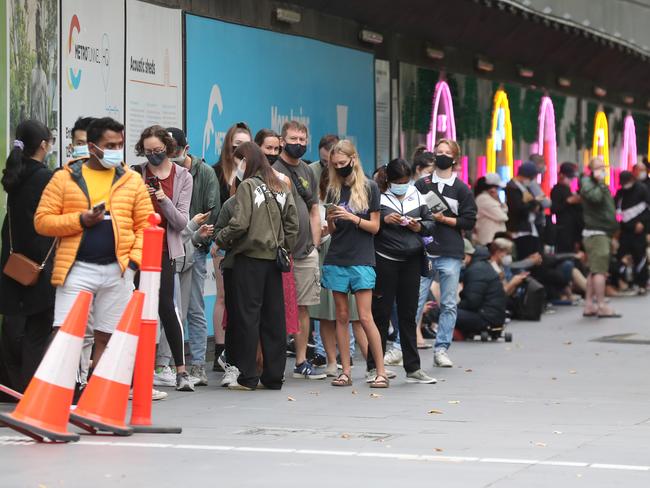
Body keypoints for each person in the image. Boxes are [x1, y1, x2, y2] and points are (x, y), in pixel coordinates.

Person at [34, 117, 153, 391]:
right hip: (76, 268)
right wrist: (80, 220)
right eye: (109, 145)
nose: (115, 150)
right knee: (64, 333)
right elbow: (42, 221)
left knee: (108, 337)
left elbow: (146, 225)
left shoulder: (132, 180)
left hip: (118, 270)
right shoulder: (65, 177)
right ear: (92, 147)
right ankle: (49, 394)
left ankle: (97, 397)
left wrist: (133, 262)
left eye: (120, 144)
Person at [215, 142, 299, 390]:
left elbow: (240, 224)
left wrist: (220, 239)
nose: (236, 167)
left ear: (246, 162)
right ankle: (274, 376)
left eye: (238, 161)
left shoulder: (248, 186)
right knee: (274, 319)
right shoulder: (281, 185)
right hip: (275, 261)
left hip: (248, 259)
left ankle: (247, 376)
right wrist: (283, 246)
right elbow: (293, 225)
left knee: (247, 318)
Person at [323, 139, 389, 388]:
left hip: (362, 258)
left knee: (364, 316)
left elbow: (375, 227)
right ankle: (345, 371)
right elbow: (331, 230)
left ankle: (380, 371)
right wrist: (330, 219)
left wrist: (351, 217)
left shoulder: (370, 187)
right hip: (337, 257)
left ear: (353, 159)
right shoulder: (333, 190)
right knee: (341, 315)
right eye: (335, 164)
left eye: (343, 162)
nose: (339, 167)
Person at [135, 125, 194, 391]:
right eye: (148, 152)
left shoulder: (182, 176)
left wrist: (162, 199)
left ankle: (181, 371)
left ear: (168, 148)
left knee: (167, 308)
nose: (153, 156)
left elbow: (182, 222)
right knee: (135, 310)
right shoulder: (136, 174)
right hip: (136, 250)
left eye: (157, 150)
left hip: (164, 250)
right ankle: (136, 372)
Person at [0, 121, 55, 392]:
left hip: (14, 264)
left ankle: (14, 389)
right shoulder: (46, 177)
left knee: (13, 327)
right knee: (38, 331)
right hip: (39, 265)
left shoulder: (13, 174)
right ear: (43, 145)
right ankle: (30, 393)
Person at [370, 159, 436, 384]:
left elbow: (430, 222)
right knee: (381, 314)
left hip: (411, 260)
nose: (403, 185)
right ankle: (373, 366)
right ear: (389, 179)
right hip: (385, 259)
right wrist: (385, 220)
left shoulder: (415, 194)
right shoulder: (377, 194)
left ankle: (413, 368)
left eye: (406, 181)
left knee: (408, 315)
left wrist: (418, 226)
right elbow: (369, 225)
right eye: (399, 182)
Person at [415, 139, 477, 368]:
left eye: (446, 152)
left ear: (454, 157)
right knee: (417, 300)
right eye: (438, 152)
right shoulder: (422, 184)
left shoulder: (462, 188)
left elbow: (469, 220)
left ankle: (442, 348)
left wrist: (445, 219)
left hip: (451, 249)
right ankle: (405, 346)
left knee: (449, 302)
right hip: (425, 248)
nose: (441, 155)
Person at [165, 127, 219, 387]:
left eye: (174, 151)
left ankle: (198, 364)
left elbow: (210, 213)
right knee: (170, 308)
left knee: (194, 308)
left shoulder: (203, 173)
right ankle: (164, 363)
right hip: (169, 246)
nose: (170, 156)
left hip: (193, 247)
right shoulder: (160, 171)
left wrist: (196, 238)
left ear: (186, 148)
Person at [273, 121, 325, 380]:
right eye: (294, 139)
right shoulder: (273, 170)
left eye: (303, 140)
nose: (299, 144)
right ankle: (274, 361)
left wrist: (314, 244)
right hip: (280, 253)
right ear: (282, 141)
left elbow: (314, 209)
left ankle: (301, 360)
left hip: (306, 252)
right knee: (277, 306)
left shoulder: (308, 170)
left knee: (303, 307)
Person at [211, 122, 252, 372]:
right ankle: (219, 348)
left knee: (244, 298)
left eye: (246, 145)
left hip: (248, 244)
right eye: (236, 145)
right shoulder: (218, 172)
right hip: (225, 240)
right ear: (228, 145)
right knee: (223, 295)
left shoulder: (256, 172)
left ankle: (240, 348)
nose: (241, 150)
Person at [580, 157, 620, 318]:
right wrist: (601, 183)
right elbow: (595, 199)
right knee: (600, 271)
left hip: (600, 232)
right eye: (599, 167)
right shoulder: (589, 184)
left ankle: (589, 304)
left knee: (593, 269)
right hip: (597, 233)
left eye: (604, 167)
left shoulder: (595, 184)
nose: (603, 170)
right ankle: (601, 305)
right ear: (592, 170)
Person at [456, 240, 507, 338]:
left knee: (445, 312)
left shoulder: (476, 270)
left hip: (486, 317)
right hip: (492, 315)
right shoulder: (482, 266)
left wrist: (457, 307)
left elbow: (472, 301)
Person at [615, 170, 650, 295]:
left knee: (639, 255)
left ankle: (641, 283)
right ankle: (624, 281)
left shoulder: (642, 189)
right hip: (625, 229)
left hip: (639, 229)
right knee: (622, 255)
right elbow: (617, 209)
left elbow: (648, 208)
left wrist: (642, 222)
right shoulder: (620, 193)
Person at [506, 161, 542, 259]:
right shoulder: (512, 188)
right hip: (519, 230)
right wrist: (534, 202)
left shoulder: (524, 187)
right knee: (526, 256)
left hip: (528, 227)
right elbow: (518, 208)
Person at [551, 162, 582, 253]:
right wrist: (568, 202)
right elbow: (554, 209)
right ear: (561, 175)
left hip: (574, 230)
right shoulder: (557, 190)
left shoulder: (569, 190)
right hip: (564, 230)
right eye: (569, 177)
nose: (571, 180)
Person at [474, 172, 508, 245]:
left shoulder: (491, 198)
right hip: (489, 239)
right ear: (491, 187)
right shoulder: (483, 199)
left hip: (495, 239)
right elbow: (502, 216)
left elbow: (505, 210)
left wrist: (497, 199)